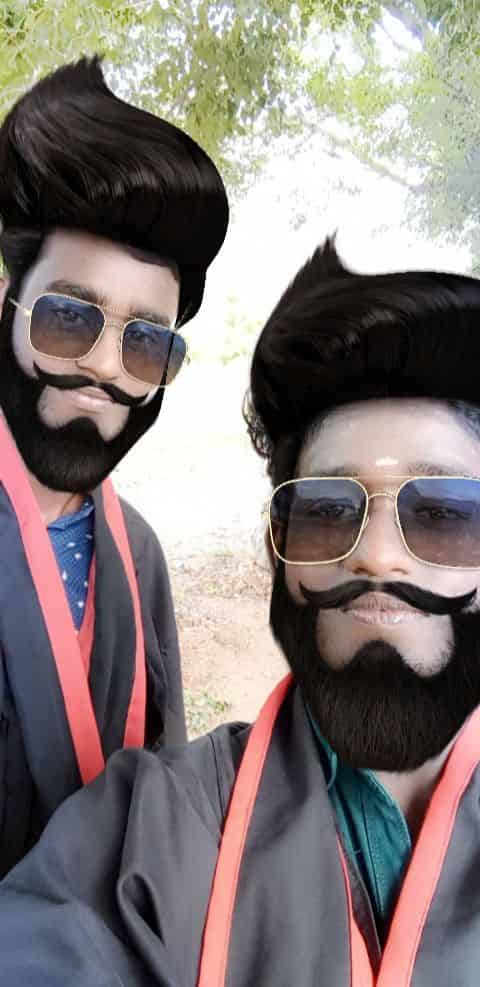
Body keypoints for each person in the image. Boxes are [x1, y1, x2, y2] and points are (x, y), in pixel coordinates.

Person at [2, 239, 480, 986]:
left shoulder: (137, 550)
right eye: (328, 510)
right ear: (277, 551)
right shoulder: (162, 825)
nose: (380, 557)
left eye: (444, 514)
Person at [0, 55, 228, 876]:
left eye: (146, 342)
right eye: (70, 318)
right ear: (8, 306)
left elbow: (163, 784)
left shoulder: (141, 555)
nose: (103, 366)